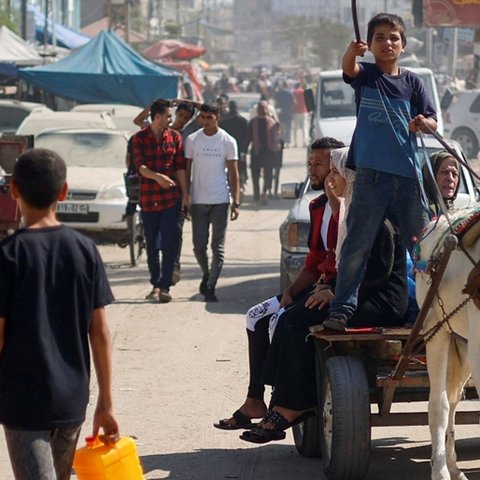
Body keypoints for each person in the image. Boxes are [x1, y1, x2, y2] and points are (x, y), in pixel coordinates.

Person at [239, 147, 409, 444]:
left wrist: (335, 293)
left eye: (336, 173)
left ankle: (294, 405)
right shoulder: (353, 210)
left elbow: (378, 272)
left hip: (382, 300)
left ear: (351, 176)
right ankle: (281, 402)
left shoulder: (375, 215)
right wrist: (327, 286)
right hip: (356, 294)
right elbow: (341, 263)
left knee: (298, 321)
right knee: (292, 315)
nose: (331, 179)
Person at [0, 148, 119, 479]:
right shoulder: (84, 250)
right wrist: (105, 403)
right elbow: (100, 333)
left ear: (14, 191)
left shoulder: (9, 255)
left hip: (23, 403)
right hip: (72, 401)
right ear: (63, 192)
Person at [213, 137, 345, 430]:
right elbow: (314, 260)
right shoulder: (317, 206)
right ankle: (254, 400)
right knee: (256, 317)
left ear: (336, 167)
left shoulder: (346, 208)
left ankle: (281, 405)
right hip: (319, 285)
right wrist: (291, 291)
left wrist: (327, 288)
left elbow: (343, 262)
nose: (312, 170)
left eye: (319, 164)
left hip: (337, 289)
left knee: (281, 322)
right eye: (310, 163)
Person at [323, 12, 438, 332]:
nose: (387, 42)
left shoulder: (413, 81)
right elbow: (348, 67)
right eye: (380, 38)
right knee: (357, 246)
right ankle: (341, 309)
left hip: (407, 179)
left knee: (423, 248)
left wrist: (423, 123)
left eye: (393, 37)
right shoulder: (367, 75)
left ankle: (433, 308)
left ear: (403, 45)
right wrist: (350, 51)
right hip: (372, 179)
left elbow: (432, 121)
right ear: (370, 45)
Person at [133, 98, 188, 303]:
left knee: (169, 243)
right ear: (157, 117)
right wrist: (157, 177)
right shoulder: (140, 138)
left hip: (170, 199)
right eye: (168, 116)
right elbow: (139, 166)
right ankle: (155, 283)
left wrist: (186, 196)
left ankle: (164, 286)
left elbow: (180, 168)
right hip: (148, 199)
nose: (171, 119)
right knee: (152, 245)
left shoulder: (175, 137)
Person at [185, 103, 240, 302]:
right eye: (203, 117)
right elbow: (187, 170)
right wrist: (187, 197)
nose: (205, 121)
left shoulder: (228, 141)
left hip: (221, 200)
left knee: (217, 246)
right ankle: (207, 273)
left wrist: (236, 200)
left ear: (217, 118)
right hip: (199, 200)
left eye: (210, 117)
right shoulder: (192, 140)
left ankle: (210, 286)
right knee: (198, 246)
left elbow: (233, 172)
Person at [245, 101, 281, 204]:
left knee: (268, 174)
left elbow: (277, 137)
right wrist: (243, 151)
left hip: (269, 153)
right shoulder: (253, 122)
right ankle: (256, 194)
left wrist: (276, 149)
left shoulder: (272, 122)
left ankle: (264, 192)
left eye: (264, 108)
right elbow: (248, 137)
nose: (262, 110)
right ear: (257, 110)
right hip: (256, 153)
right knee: (255, 174)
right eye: (260, 108)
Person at [219, 100, 249, 195]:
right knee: (240, 168)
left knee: (231, 169)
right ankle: (240, 186)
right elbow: (247, 138)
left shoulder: (224, 121)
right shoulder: (243, 121)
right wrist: (244, 150)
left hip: (228, 150)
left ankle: (236, 187)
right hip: (239, 150)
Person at [422, 150, 460, 216]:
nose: (450, 178)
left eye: (454, 174)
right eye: (444, 172)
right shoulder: (423, 213)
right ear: (431, 176)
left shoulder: (455, 213)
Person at [274, 80, 294, 147]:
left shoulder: (278, 93)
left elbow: (275, 103)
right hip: (288, 113)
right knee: (288, 128)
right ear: (287, 86)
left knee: (281, 128)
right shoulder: (290, 93)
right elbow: (293, 103)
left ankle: (282, 142)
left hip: (281, 113)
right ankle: (288, 142)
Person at [292, 82, 309, 148]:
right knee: (304, 127)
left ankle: (295, 143)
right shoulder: (304, 91)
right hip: (304, 111)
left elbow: (293, 102)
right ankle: (305, 142)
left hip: (296, 112)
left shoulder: (294, 92)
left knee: (295, 128)